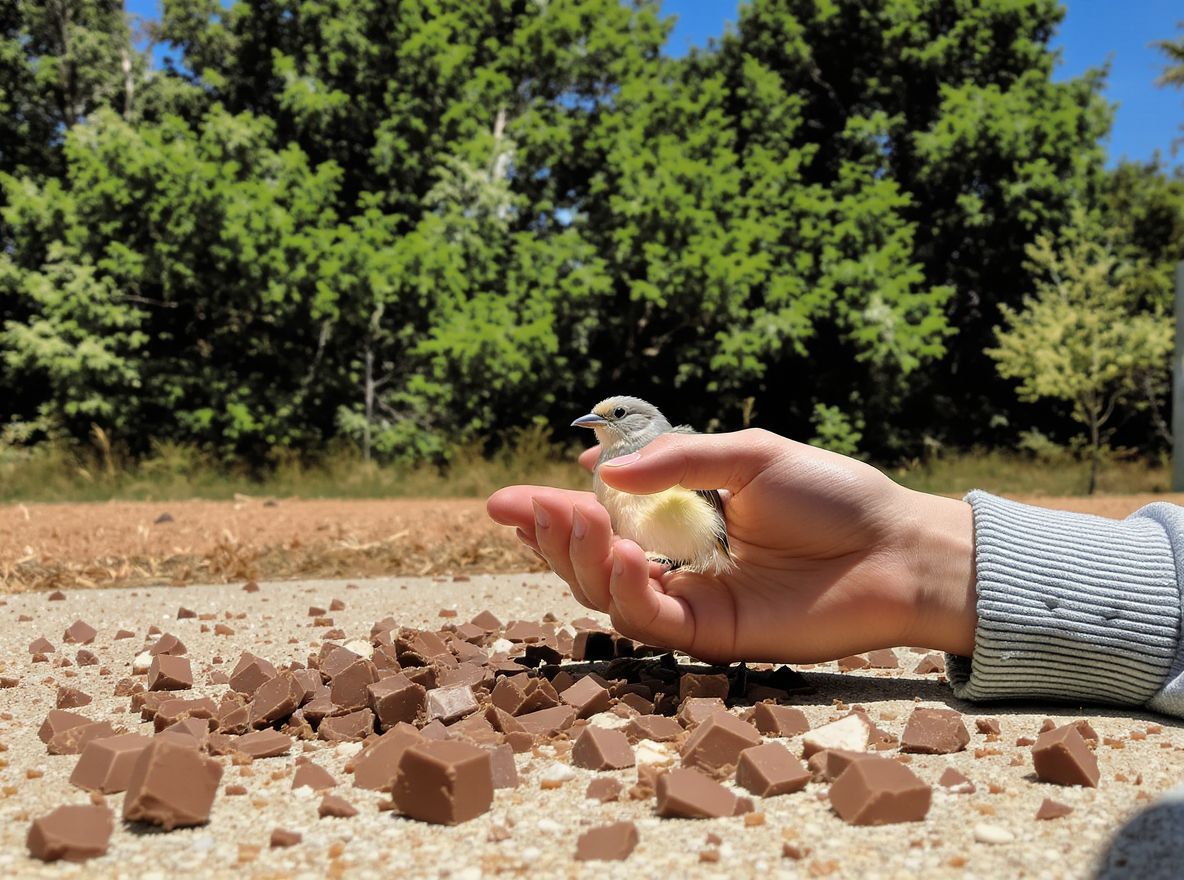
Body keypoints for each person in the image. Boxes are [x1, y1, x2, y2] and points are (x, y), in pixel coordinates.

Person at [486, 428, 1184, 719]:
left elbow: (703, 519)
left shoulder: (655, 462)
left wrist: (909, 555)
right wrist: (918, 563)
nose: (599, 425)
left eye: (615, 418)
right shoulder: (619, 470)